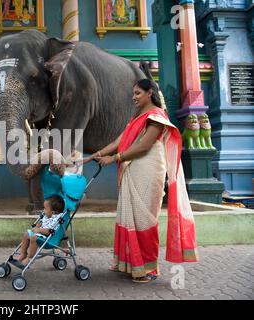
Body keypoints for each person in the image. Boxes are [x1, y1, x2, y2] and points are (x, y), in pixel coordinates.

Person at [83, 79, 199, 283]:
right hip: (133, 169)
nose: (133, 97)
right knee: (130, 217)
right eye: (133, 93)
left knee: (145, 219)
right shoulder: (137, 118)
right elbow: (118, 141)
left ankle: (149, 268)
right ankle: (130, 263)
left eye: (137, 93)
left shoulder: (156, 117)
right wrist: (95, 155)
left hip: (148, 170)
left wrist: (115, 158)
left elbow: (144, 147)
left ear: (149, 93)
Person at [18, 195, 65, 265]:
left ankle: (29, 258)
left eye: (45, 209)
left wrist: (39, 230)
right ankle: (23, 253)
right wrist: (37, 227)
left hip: (47, 238)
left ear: (53, 212)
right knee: (26, 234)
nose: (43, 210)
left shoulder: (56, 219)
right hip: (39, 234)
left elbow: (50, 231)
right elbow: (41, 223)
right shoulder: (47, 216)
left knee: (34, 238)